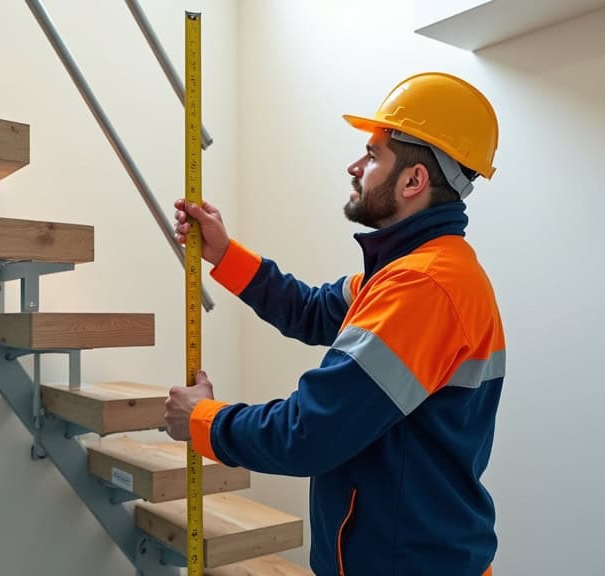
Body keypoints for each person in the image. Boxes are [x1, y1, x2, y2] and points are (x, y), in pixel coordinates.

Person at [165, 72, 505, 576]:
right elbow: (312, 308)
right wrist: (225, 254)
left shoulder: (423, 288)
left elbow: (309, 433)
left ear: (413, 181)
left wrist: (203, 421)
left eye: (372, 156)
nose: (355, 166)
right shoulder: (411, 270)